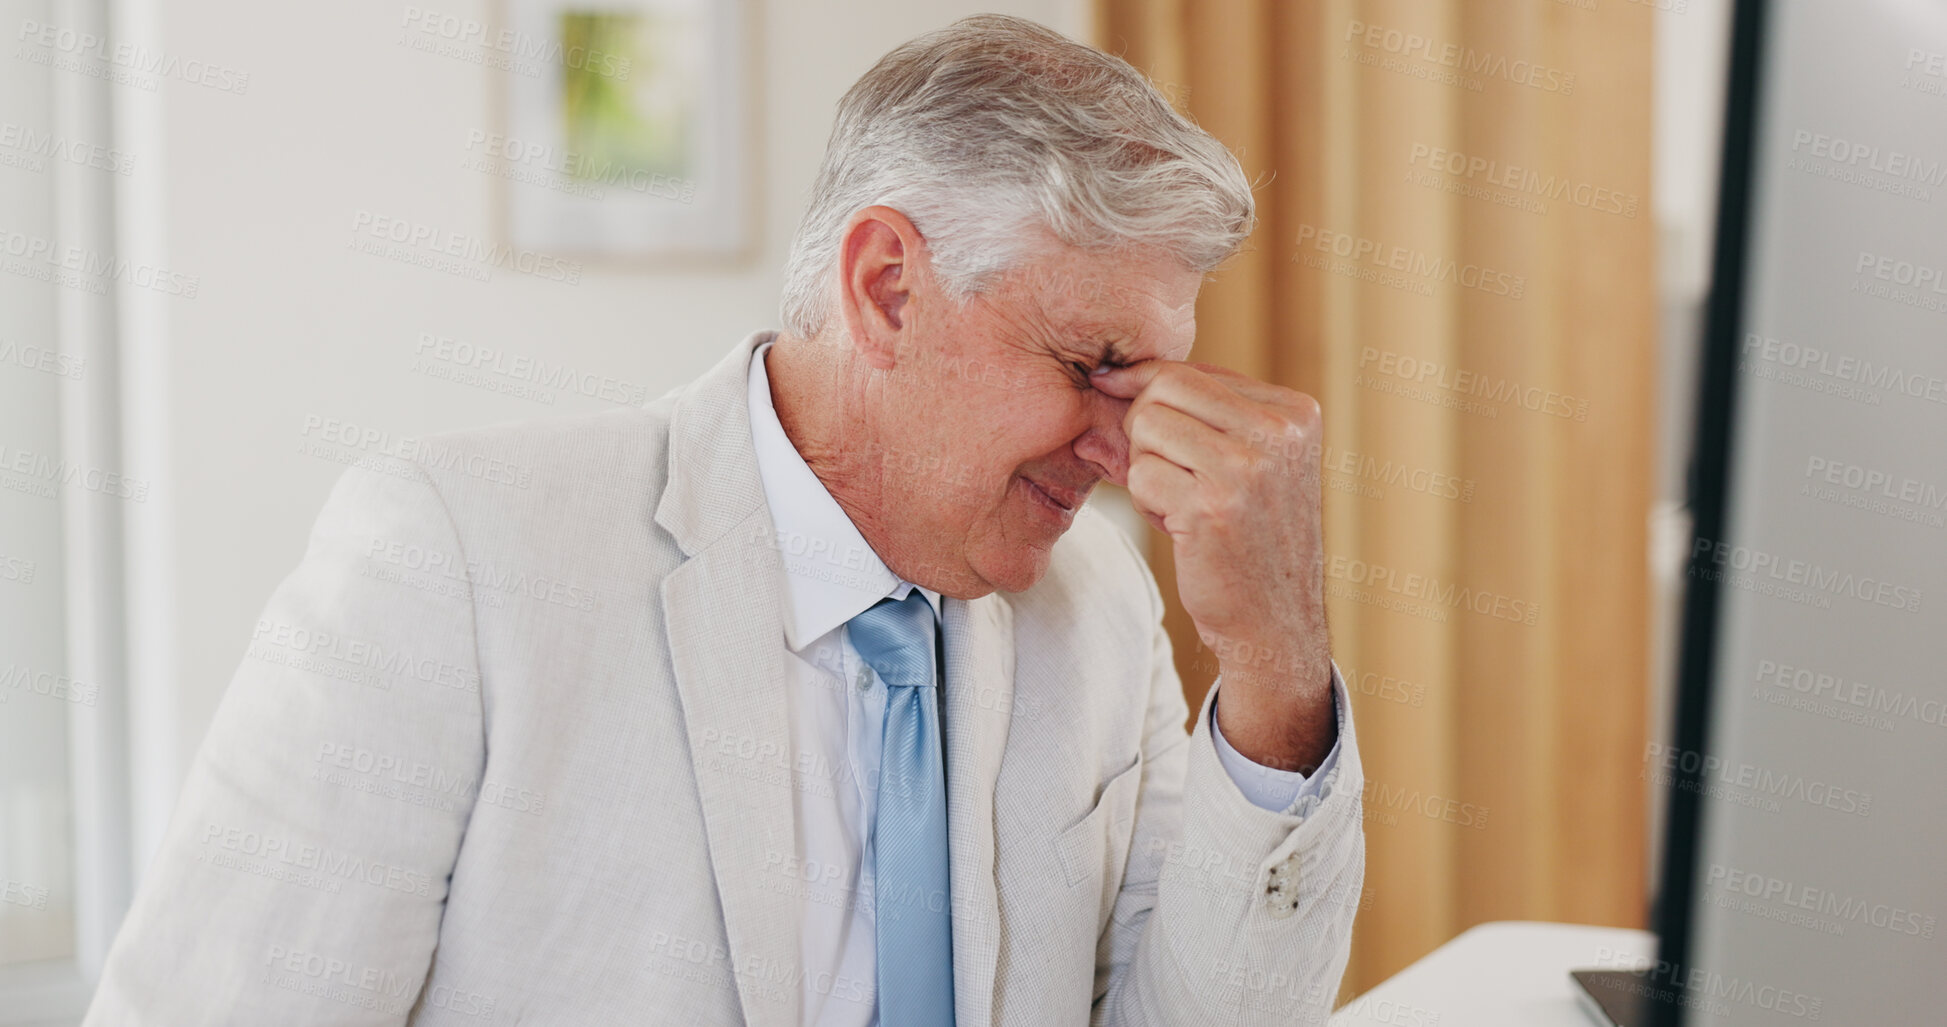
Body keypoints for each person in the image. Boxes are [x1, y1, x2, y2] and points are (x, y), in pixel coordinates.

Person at [85, 14, 1363, 1025]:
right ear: (887, 289)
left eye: (1154, 383)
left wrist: (1275, 667)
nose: (1122, 445)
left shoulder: (1101, 597)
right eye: (1093, 366)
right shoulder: (456, 557)